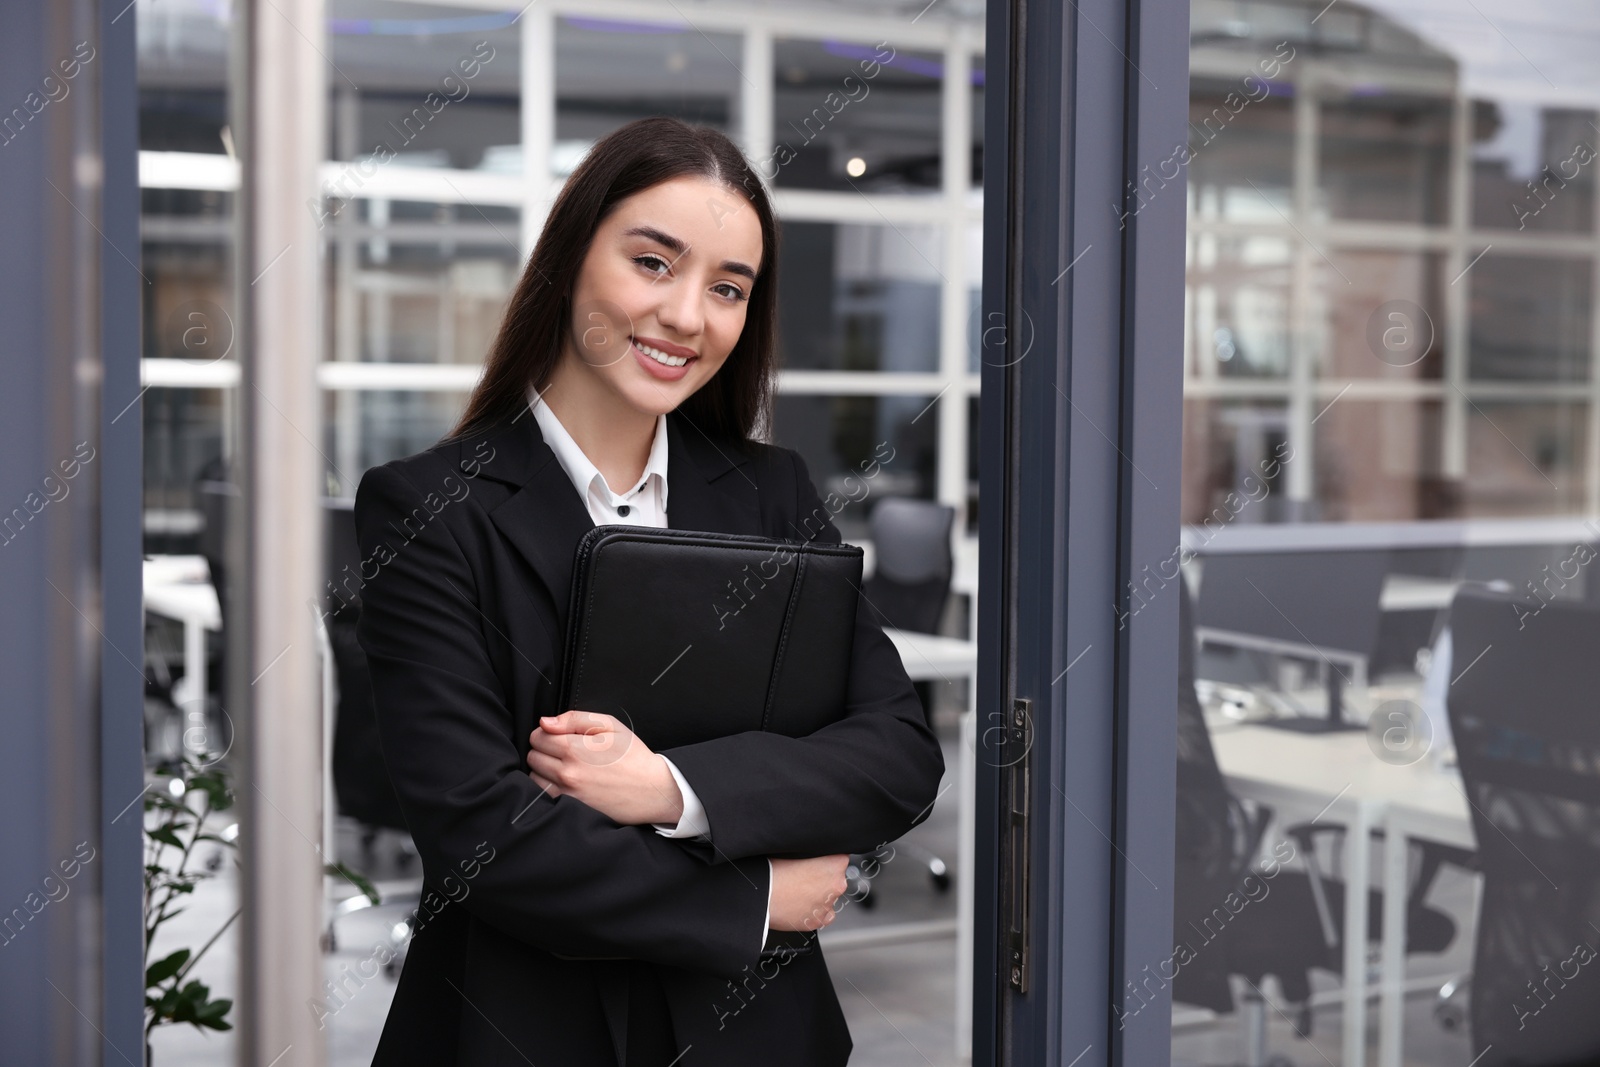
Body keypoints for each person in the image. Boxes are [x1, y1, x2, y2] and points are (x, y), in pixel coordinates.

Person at [352, 116, 946, 1067]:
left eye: (727, 288)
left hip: (752, 1031)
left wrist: (674, 789)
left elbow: (897, 754)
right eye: (653, 263)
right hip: (518, 1028)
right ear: (569, 259)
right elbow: (482, 838)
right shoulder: (428, 510)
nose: (686, 316)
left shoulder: (773, 493)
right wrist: (752, 897)